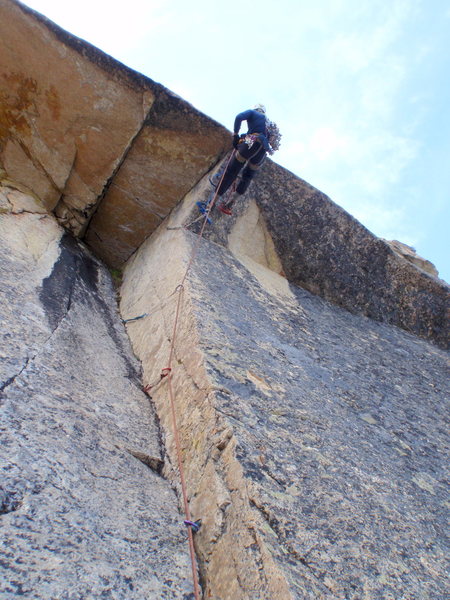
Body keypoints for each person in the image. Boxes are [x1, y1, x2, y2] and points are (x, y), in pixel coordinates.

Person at [215, 104, 280, 215]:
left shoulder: (253, 113)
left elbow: (239, 117)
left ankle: (213, 201)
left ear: (256, 109)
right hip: (263, 152)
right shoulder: (269, 124)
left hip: (252, 140)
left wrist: (235, 135)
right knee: (248, 176)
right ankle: (231, 203)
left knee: (233, 169)